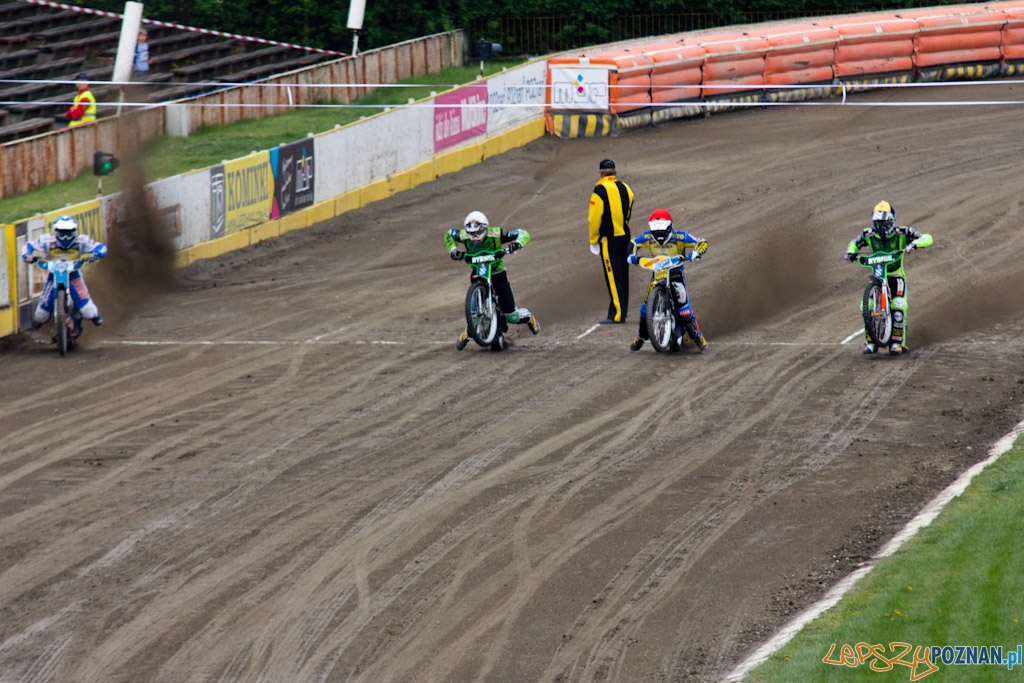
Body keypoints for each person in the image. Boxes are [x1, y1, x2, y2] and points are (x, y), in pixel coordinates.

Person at [845, 200, 933, 356]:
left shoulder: (903, 232)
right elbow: (854, 243)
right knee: (866, 306)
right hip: (878, 276)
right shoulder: (868, 234)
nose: (883, 226)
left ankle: (897, 342)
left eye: (886, 223)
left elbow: (927, 237)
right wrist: (850, 252)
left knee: (898, 306)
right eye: (879, 223)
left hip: (896, 276)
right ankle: (870, 341)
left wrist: (914, 244)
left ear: (892, 220)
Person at [446, 210, 539, 350]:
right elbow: (448, 234)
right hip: (478, 271)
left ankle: (529, 317)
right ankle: (469, 329)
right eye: (471, 234)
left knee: (512, 316)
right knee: (473, 312)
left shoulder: (496, 234)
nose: (475, 238)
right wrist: (453, 250)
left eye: (478, 233)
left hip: (497, 272)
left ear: (484, 228)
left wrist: (517, 244)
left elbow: (523, 233)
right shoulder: (462, 235)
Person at [627, 208, 709, 352]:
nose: (658, 235)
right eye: (656, 232)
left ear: (669, 228)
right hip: (658, 275)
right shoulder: (647, 237)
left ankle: (698, 338)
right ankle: (641, 337)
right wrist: (631, 256)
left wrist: (695, 253)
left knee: (684, 310)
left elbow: (702, 242)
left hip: (676, 276)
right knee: (644, 309)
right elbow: (633, 243)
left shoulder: (680, 237)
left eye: (661, 232)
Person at [22, 215, 107, 335]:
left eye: (69, 233)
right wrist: (28, 255)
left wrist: (96, 254)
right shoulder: (47, 240)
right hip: (53, 276)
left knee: (88, 311)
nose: (65, 237)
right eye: (62, 233)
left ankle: (95, 316)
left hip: (73, 276)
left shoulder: (82, 241)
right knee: (40, 316)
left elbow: (101, 247)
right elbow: (28, 246)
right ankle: (49, 322)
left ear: (75, 232)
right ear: (56, 232)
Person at [588, 158, 634, 324]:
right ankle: (621, 310)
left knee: (613, 277)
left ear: (600, 173)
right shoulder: (626, 188)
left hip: (610, 240)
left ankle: (617, 315)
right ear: (616, 172)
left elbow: (594, 219)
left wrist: (593, 240)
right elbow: (628, 212)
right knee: (623, 275)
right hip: (625, 237)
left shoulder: (599, 190)